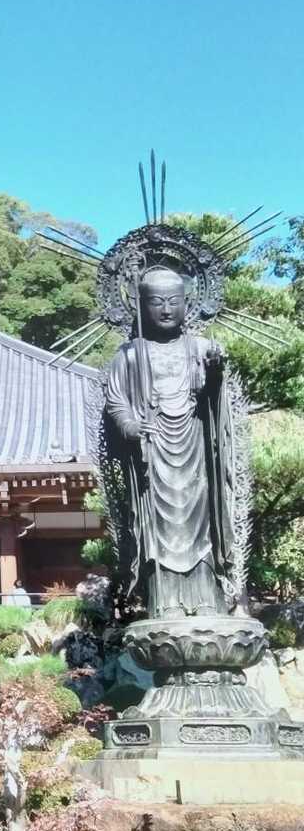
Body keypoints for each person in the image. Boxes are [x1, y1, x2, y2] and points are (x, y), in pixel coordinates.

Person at [104, 264, 238, 619]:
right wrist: (131, 426)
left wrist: (215, 372)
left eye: (174, 301)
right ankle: (166, 602)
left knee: (201, 525)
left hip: (195, 448)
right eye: (156, 302)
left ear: (187, 303)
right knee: (159, 530)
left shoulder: (201, 348)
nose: (166, 309)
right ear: (141, 306)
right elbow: (116, 401)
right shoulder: (130, 354)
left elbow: (212, 399)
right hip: (152, 452)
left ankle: (207, 598)